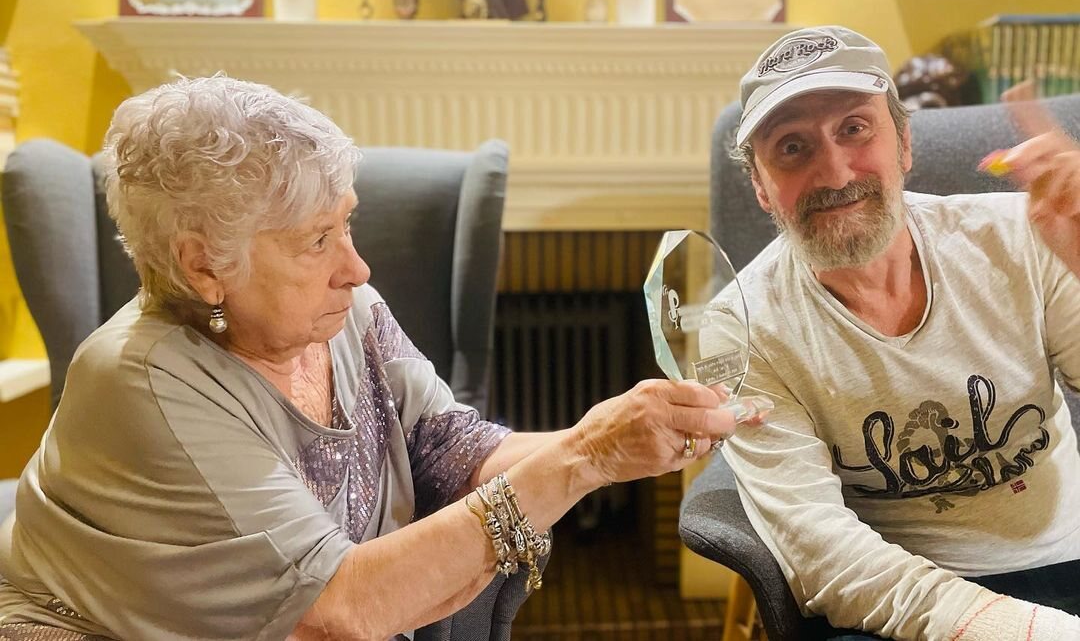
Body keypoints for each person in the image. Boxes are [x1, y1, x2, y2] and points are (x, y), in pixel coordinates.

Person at [0, 75, 747, 640]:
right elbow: (342, 606)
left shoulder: (342, 312)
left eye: (346, 224)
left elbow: (450, 445)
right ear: (204, 268)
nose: (356, 268)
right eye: (317, 240)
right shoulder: (145, 382)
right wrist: (586, 456)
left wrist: (623, 440)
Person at [700, 26, 1080, 640]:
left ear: (903, 143)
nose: (834, 171)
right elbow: (823, 554)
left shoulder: (1023, 236)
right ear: (761, 188)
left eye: (855, 128)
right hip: (898, 601)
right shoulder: (740, 328)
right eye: (792, 147)